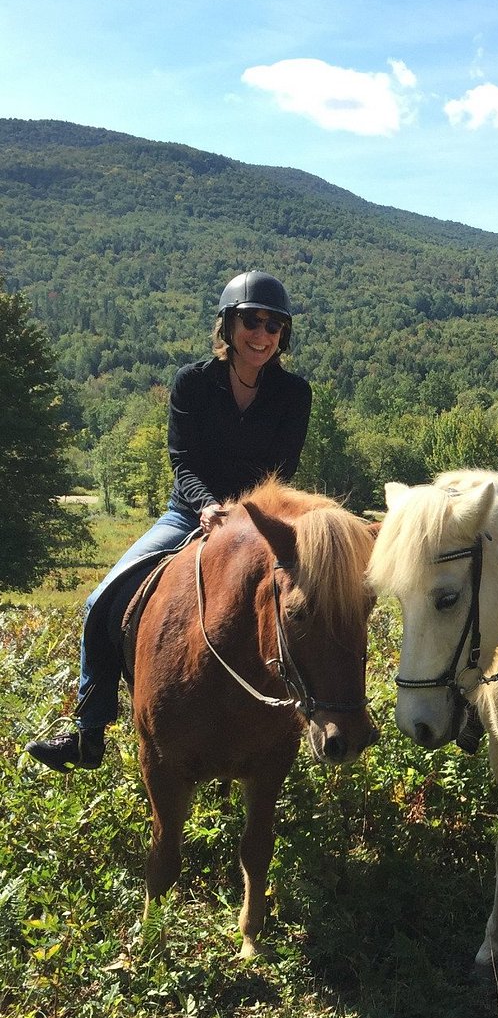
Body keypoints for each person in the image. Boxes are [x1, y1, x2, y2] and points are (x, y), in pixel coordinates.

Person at [25, 271, 312, 773]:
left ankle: (311, 718)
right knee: (101, 601)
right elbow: (183, 460)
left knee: (320, 603)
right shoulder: (192, 383)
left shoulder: (294, 394)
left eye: (274, 324)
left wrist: (243, 519)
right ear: (228, 325)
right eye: (251, 321)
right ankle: (88, 733)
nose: (263, 334)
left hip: (256, 522)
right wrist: (205, 507)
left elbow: (280, 472)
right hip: (189, 514)